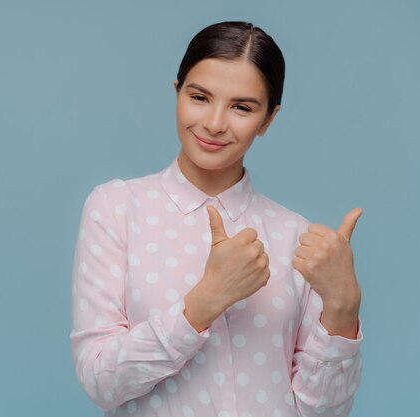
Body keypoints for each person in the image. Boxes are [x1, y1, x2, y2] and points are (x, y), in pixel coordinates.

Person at [70, 21, 363, 417]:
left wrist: (343, 307)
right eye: (200, 97)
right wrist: (205, 301)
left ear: (268, 120)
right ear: (177, 92)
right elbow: (100, 381)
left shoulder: (296, 236)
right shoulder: (117, 208)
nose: (214, 123)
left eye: (242, 107)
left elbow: (323, 412)